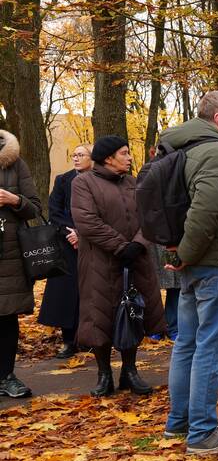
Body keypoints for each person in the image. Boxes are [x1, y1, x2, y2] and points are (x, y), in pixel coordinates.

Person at [161, 90, 218, 455]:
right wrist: (186, 253)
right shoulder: (217, 150)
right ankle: (202, 433)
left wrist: (183, 254)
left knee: (186, 342)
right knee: (209, 348)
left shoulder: (181, 146)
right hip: (213, 263)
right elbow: (208, 208)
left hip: (194, 261)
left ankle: (179, 423)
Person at [71, 136, 168, 397]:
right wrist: (121, 246)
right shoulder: (83, 183)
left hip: (135, 261)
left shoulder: (132, 182)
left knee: (132, 313)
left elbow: (147, 216)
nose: (129, 157)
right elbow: (86, 221)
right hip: (99, 263)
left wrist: (137, 244)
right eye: (124, 153)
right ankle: (104, 374)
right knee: (100, 315)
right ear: (108, 158)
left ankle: (130, 371)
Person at [0, 128, 43, 399]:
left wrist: (15, 200)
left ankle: (6, 375)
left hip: (9, 254)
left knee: (6, 317)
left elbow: (35, 207)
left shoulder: (14, 162)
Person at [39, 144, 92, 359]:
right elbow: (55, 211)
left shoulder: (99, 179)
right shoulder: (63, 180)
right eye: (74, 155)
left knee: (90, 293)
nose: (76, 159)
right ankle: (69, 341)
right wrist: (71, 233)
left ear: (92, 158)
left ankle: (89, 338)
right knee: (68, 294)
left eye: (81, 155)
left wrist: (83, 233)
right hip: (67, 244)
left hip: (93, 243)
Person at [153, 245, 182, 341]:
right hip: (151, 243)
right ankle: (155, 328)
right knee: (152, 288)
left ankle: (174, 328)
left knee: (176, 287)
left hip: (173, 241)